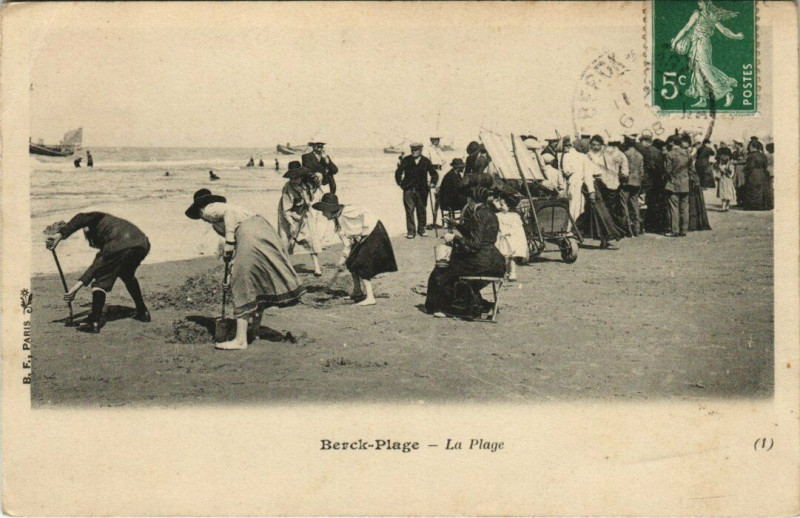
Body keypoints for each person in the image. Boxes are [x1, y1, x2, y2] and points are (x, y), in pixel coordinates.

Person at [185, 189, 304, 350]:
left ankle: (241, 340)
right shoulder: (219, 222)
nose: (203, 219)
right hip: (263, 230)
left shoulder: (208, 209)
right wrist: (231, 259)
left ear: (199, 208)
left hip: (250, 233)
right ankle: (253, 330)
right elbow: (237, 243)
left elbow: (229, 214)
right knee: (257, 279)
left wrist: (228, 242)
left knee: (242, 282)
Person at [45, 212, 151, 333]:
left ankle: (94, 322)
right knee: (127, 274)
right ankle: (143, 312)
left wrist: (75, 288)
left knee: (100, 282)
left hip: (122, 244)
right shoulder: (109, 225)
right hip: (142, 243)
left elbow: (97, 265)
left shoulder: (95, 220)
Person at [425, 186, 506, 318]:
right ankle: (481, 305)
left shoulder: (477, 215)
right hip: (496, 261)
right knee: (452, 269)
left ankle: (442, 308)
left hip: (482, 263)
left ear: (470, 200)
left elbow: (474, 244)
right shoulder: (490, 213)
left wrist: (454, 238)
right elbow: (478, 236)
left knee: (441, 272)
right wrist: (457, 225)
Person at [314, 193, 397, 306]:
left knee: (362, 263)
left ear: (330, 209)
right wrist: (342, 261)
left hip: (374, 232)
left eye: (323, 210)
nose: (323, 214)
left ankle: (370, 297)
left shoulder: (347, 210)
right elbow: (347, 245)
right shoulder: (338, 222)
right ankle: (357, 291)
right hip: (361, 238)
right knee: (351, 261)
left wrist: (364, 229)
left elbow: (365, 211)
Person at [670, 0, 744, 108]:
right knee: (697, 70)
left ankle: (727, 92)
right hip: (700, 44)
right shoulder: (712, 16)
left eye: (700, 2)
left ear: (705, 3)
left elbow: (686, 28)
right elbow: (724, 30)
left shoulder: (698, 14)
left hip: (701, 44)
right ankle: (702, 99)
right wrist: (735, 36)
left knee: (705, 70)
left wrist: (675, 41)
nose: (698, 4)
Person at [277, 161, 322, 276]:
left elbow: (317, 187)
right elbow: (286, 209)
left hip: (304, 211)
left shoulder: (308, 183)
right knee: (286, 239)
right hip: (288, 213)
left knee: (311, 237)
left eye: (295, 178)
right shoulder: (287, 188)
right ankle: (284, 266)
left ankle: (317, 267)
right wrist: (291, 224)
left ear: (301, 176)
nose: (293, 181)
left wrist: (309, 201)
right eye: (291, 178)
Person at [586, 135, 631, 236]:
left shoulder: (602, 154)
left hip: (601, 183)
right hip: (615, 185)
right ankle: (618, 230)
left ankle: (606, 231)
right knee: (614, 208)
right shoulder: (621, 155)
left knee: (603, 207)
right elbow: (625, 173)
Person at [395, 142, 439, 239]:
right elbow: (398, 172)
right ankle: (411, 231)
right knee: (409, 210)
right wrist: (400, 184)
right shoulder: (406, 160)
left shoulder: (426, 161)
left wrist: (432, 183)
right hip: (408, 189)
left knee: (421, 209)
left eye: (416, 150)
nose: (414, 152)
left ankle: (421, 229)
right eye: (412, 150)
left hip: (422, 190)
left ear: (420, 150)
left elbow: (434, 174)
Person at [636, 132, 668, 233]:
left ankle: (641, 226)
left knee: (641, 203)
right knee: (649, 204)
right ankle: (648, 226)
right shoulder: (655, 152)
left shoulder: (643, 150)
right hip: (653, 182)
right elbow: (658, 169)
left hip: (644, 181)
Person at [560, 137, 596, 223]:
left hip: (571, 182)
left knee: (571, 206)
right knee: (579, 206)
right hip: (580, 184)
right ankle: (575, 227)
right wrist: (591, 190)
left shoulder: (566, 155)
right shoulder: (583, 156)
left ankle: (569, 227)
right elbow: (588, 175)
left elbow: (566, 171)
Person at [492, 194, 528, 281]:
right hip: (502, 239)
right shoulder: (499, 215)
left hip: (511, 239)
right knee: (503, 257)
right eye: (500, 204)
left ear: (509, 206)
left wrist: (508, 233)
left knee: (511, 257)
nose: (500, 207)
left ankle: (512, 272)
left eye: (502, 205)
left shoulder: (514, 216)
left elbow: (516, 228)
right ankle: (505, 272)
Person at [664, 134, 692, 236]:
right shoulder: (687, 154)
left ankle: (674, 230)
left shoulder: (670, 154)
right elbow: (691, 170)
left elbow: (668, 170)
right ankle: (684, 230)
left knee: (673, 208)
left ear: (673, 143)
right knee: (684, 208)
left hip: (673, 184)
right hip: (685, 183)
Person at [621, 135, 644, 236]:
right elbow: (641, 172)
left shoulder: (624, 154)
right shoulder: (639, 155)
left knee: (624, 205)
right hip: (636, 182)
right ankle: (637, 229)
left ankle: (627, 229)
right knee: (635, 205)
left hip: (626, 182)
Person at [687, 139, 712, 231]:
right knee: (697, 203)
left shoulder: (693, 159)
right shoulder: (696, 159)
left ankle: (693, 223)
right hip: (695, 182)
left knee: (692, 203)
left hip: (692, 181)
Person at [741, 139, 772, 210]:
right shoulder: (763, 155)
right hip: (762, 173)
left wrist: (745, 170)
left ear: (752, 146)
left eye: (750, 146)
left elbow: (750, 166)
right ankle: (762, 204)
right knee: (761, 189)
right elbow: (765, 165)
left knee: (752, 189)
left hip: (753, 173)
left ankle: (753, 205)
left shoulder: (751, 156)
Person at [439, 158, 468, 223]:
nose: (463, 168)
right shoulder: (449, 176)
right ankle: (464, 221)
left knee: (467, 200)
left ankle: (464, 221)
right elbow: (449, 192)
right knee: (467, 202)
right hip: (448, 201)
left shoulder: (457, 175)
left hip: (453, 198)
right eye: (462, 167)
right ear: (458, 167)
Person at [713, 147, 735, 211]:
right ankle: (724, 206)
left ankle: (727, 206)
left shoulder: (730, 165)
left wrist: (725, 171)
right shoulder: (720, 165)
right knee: (723, 193)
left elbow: (731, 174)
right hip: (723, 180)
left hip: (727, 180)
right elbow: (717, 172)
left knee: (728, 194)